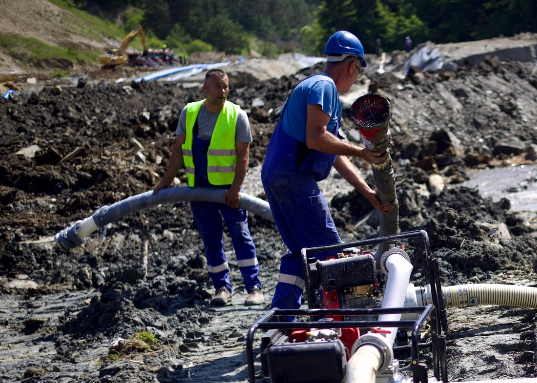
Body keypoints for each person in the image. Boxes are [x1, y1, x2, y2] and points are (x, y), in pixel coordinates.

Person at [261, 30, 391, 312]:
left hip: (278, 177)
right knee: (332, 254)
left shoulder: (316, 88)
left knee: (301, 254)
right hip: (294, 179)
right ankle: (341, 320)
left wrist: (368, 192)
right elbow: (316, 138)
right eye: (358, 72)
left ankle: (282, 319)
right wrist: (361, 151)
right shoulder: (324, 86)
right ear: (351, 65)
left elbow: (332, 152)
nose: (356, 78)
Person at [154, 69, 264, 306]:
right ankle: (222, 288)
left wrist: (236, 189)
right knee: (211, 240)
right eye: (217, 87)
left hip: (228, 192)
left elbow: (244, 156)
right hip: (200, 190)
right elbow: (178, 151)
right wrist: (166, 180)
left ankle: (254, 288)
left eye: (225, 87)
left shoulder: (237, 115)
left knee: (241, 236)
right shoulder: (190, 113)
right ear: (205, 88)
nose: (222, 92)